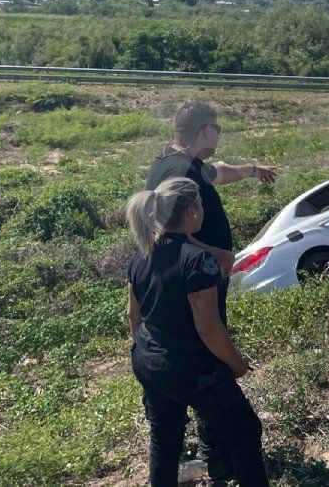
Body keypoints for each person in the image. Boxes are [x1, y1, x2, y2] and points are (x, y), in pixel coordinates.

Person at [144, 101, 276, 482]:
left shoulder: (179, 163)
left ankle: (219, 459)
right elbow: (164, 231)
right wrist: (218, 253)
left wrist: (253, 170)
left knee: (169, 429)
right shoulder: (178, 170)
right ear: (204, 129)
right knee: (210, 374)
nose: (219, 134)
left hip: (186, 296)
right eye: (216, 128)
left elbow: (217, 172)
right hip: (192, 296)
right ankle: (223, 462)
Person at [125, 178, 267, 487]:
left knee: (165, 440)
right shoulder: (197, 262)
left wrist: (148, 354)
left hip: (149, 362)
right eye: (201, 204)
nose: (203, 210)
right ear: (191, 211)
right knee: (244, 431)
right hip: (190, 368)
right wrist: (236, 365)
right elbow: (208, 328)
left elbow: (133, 315)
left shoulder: (141, 255)